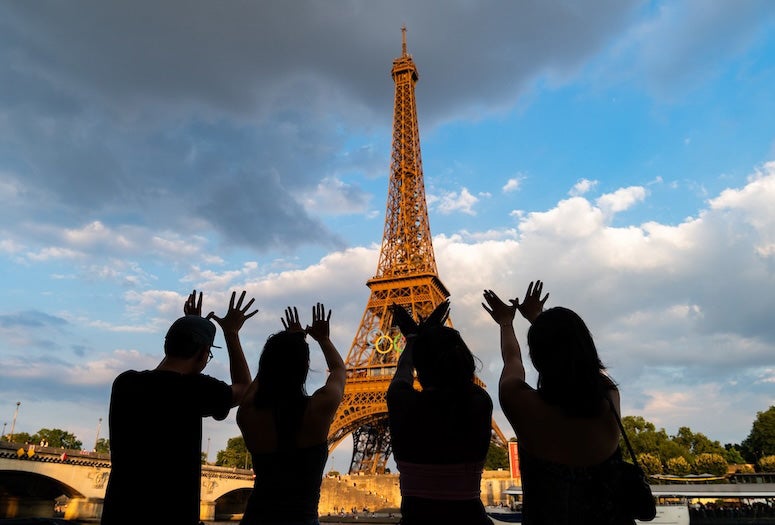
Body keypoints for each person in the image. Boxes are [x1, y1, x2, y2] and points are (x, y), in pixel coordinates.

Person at [102, 290, 257, 525]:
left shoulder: (125, 383)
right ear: (203, 353)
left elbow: (161, 376)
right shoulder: (195, 389)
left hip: (120, 514)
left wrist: (190, 325)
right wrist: (231, 333)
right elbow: (245, 388)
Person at [482, 281, 629, 525]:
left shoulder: (520, 403)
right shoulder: (610, 397)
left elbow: (512, 360)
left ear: (536, 357)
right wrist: (537, 317)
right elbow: (584, 365)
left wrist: (506, 323)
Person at [237, 302, 346, 525]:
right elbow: (338, 370)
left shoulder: (247, 414)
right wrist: (322, 339)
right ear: (305, 367)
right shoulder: (319, 407)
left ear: (265, 365)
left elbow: (259, 381)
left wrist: (285, 346)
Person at [387, 300, 494, 525]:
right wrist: (432, 334)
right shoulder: (480, 403)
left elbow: (402, 372)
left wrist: (414, 340)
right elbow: (462, 379)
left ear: (421, 369)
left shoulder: (400, 402)